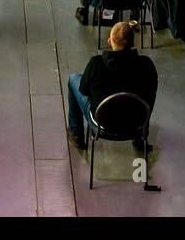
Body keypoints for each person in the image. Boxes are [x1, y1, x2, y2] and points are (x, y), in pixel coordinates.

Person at [66, 21, 158, 151]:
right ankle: (139, 139)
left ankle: (76, 135)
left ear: (110, 41)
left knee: (73, 79)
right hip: (136, 122)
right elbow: (150, 97)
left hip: (103, 124)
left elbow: (83, 90)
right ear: (133, 42)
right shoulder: (146, 65)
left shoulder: (96, 64)